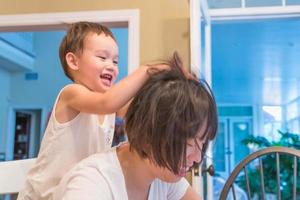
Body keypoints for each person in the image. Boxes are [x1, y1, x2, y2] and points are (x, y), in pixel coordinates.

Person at [18, 21, 168, 200]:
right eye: (102, 58)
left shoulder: (112, 105)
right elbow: (107, 102)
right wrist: (146, 71)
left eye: (115, 61)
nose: (111, 66)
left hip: (80, 192)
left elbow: (139, 111)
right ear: (73, 61)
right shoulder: (71, 94)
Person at [53, 53, 218, 200]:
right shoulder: (90, 184)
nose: (198, 158)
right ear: (149, 133)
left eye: (202, 144)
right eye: (189, 144)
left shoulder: (164, 175)